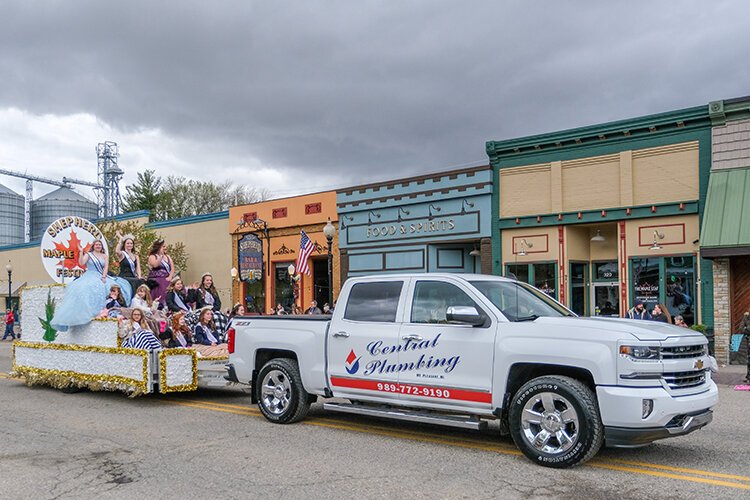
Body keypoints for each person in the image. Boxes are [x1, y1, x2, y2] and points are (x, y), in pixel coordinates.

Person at [51, 239, 132, 332]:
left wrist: (104, 276)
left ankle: (105, 311)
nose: (98, 246)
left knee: (110, 286)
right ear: (93, 246)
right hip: (90, 275)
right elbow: (81, 263)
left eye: (99, 245)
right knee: (86, 287)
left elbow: (105, 267)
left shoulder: (105, 256)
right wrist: (81, 252)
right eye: (96, 244)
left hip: (101, 275)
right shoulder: (89, 255)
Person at [147, 239, 174, 308]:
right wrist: (160, 257)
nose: (165, 248)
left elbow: (172, 268)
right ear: (158, 247)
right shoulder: (152, 256)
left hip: (167, 280)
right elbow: (155, 265)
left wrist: (170, 277)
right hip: (157, 281)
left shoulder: (168, 257)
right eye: (163, 246)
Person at [740, 311, 750, 383]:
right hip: (749, 340)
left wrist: (747, 328)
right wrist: (747, 329)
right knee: (749, 359)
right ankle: (748, 376)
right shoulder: (746, 317)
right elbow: (741, 328)